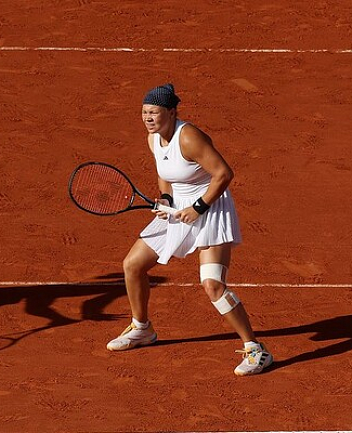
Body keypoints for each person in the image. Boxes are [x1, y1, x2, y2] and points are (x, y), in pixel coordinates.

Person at [105, 84, 272, 376]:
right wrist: (167, 199)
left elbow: (223, 174)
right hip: (179, 209)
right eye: (144, 112)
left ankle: (256, 350)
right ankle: (142, 328)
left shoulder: (190, 137)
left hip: (211, 207)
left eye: (154, 112)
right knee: (132, 265)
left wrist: (198, 207)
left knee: (213, 284)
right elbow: (164, 173)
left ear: (171, 112)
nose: (148, 117)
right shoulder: (153, 139)